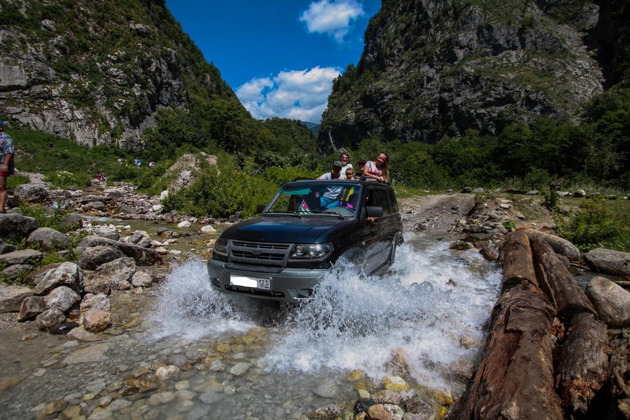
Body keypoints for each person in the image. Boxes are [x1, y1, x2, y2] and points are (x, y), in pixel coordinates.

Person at [0, 121, 15, 214]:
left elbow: (9, 152)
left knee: (1, 186)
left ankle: (1, 208)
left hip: (1, 164)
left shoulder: (6, 138)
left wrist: (5, 164)